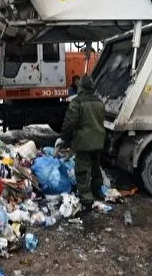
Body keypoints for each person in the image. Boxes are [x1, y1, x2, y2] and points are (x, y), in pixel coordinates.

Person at [59, 75, 106, 212]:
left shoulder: (77, 102)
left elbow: (70, 123)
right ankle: (98, 190)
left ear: (81, 87)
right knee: (96, 167)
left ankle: (86, 200)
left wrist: (64, 138)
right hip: (98, 141)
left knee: (82, 170)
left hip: (84, 143)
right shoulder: (100, 102)